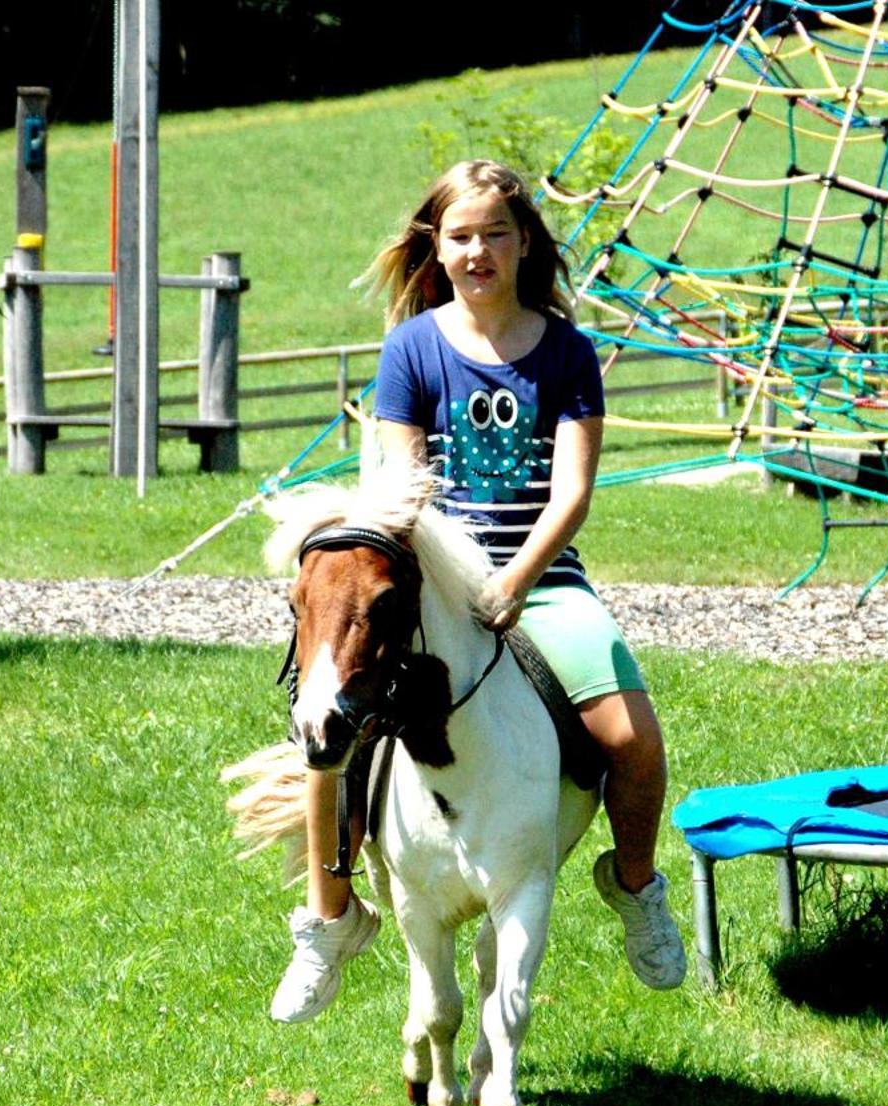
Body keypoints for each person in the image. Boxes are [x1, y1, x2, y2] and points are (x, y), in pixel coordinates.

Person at [269, 159, 685, 1022]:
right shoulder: (412, 348)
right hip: (430, 582)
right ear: (438, 247)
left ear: (524, 240)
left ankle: (636, 882)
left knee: (633, 735)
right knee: (328, 734)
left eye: (495, 232)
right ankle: (329, 917)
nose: (478, 251)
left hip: (542, 579)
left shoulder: (567, 352)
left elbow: (571, 491)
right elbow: (395, 479)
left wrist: (518, 579)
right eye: (460, 236)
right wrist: (440, 583)